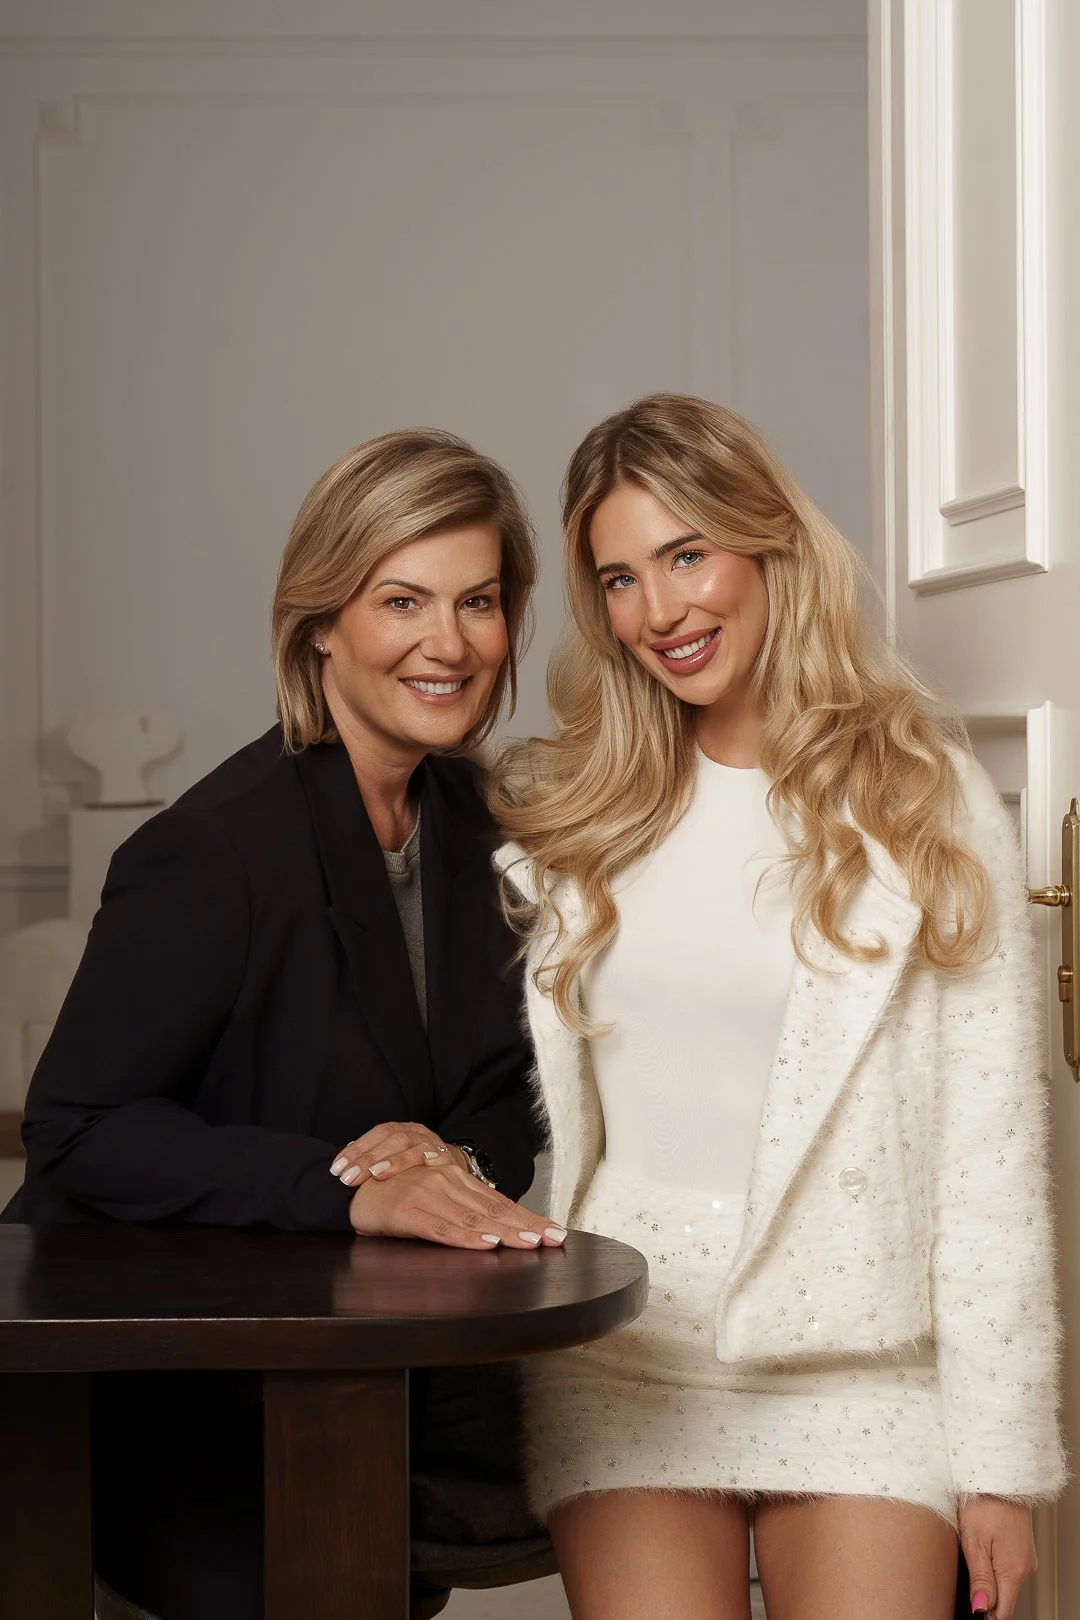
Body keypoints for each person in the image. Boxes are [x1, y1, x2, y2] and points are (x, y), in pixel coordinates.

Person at [490, 394, 1064, 1620]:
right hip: (627, 1349)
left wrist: (1001, 1468)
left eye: (688, 554)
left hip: (866, 1368)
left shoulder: (925, 801)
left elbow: (992, 1165)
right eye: (622, 579)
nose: (661, 613)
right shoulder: (578, 806)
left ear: (767, 543)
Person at [5, 427, 563, 1620]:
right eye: (402, 599)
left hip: (364, 1371)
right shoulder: (210, 851)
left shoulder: (474, 821)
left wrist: (448, 1156)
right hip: (166, 1397)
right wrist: (350, 1183)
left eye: (479, 601)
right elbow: (77, 1126)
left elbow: (517, 1079)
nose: (448, 643)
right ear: (319, 624)